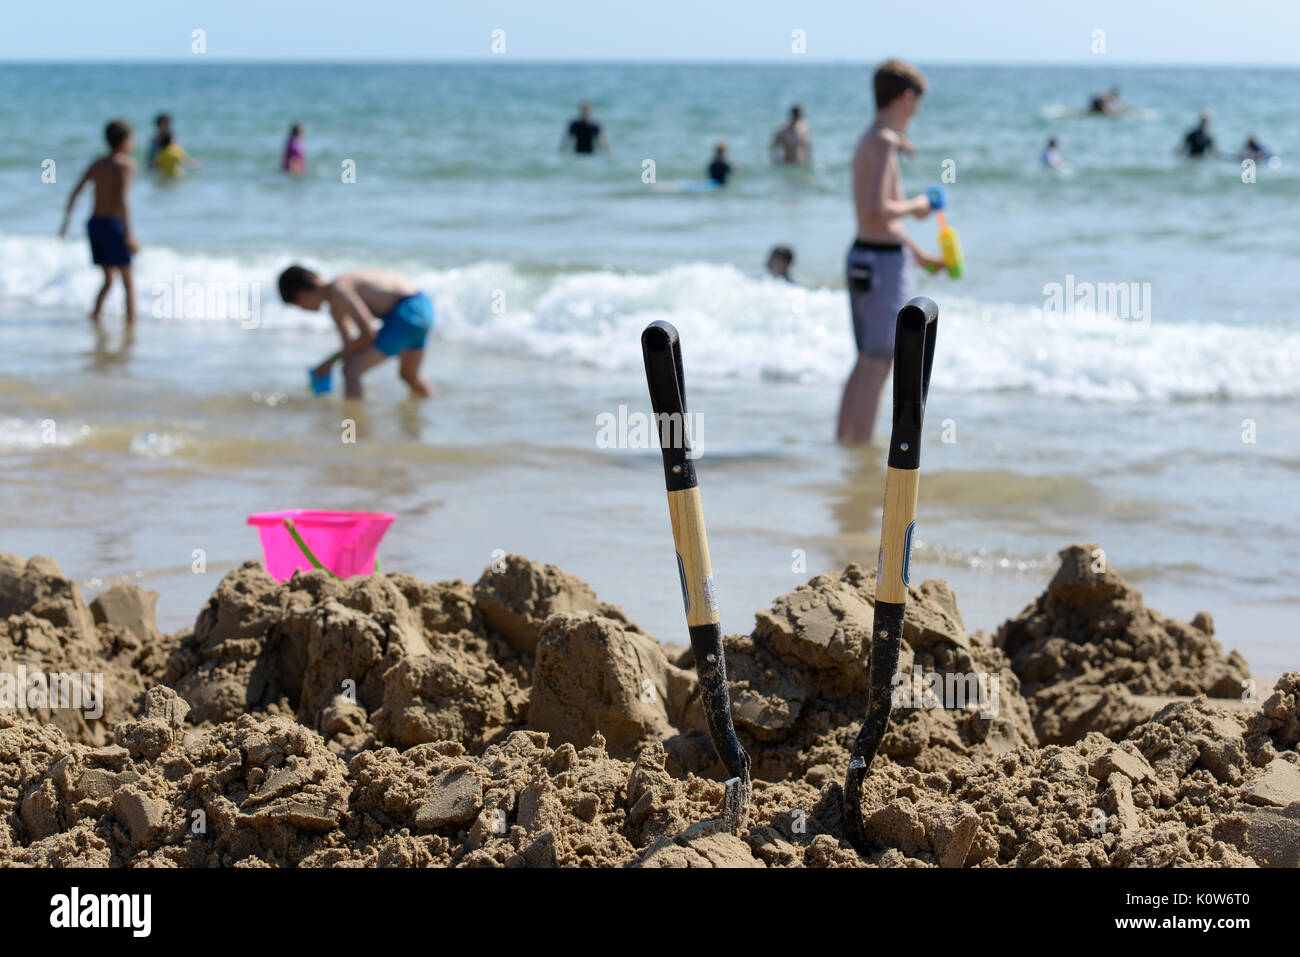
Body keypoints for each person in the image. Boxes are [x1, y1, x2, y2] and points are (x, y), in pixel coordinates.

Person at [837, 60, 944, 446]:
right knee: (880, 363)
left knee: (867, 359)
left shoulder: (874, 138)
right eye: (916, 104)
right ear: (906, 97)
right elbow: (883, 207)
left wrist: (919, 254)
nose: (916, 113)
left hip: (865, 255)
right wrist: (916, 205)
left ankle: (844, 445)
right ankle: (860, 454)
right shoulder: (883, 141)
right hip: (880, 264)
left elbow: (876, 216)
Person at [278, 266, 435, 400]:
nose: (303, 310)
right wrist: (330, 364)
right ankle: (431, 407)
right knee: (409, 375)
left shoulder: (339, 288)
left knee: (351, 370)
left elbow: (368, 333)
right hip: (423, 307)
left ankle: (355, 427)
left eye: (299, 305)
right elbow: (350, 347)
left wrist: (329, 361)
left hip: (406, 312)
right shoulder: (335, 306)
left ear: (300, 295)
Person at [58, 119, 138, 329]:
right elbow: (122, 201)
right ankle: (132, 330)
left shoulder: (98, 164)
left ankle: (94, 319)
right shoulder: (126, 165)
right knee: (128, 284)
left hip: (94, 224)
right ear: (125, 141)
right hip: (113, 224)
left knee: (109, 279)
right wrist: (129, 234)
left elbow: (75, 192)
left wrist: (65, 224)